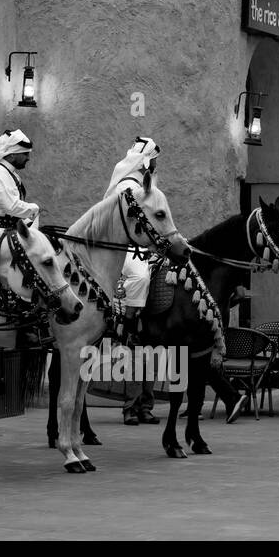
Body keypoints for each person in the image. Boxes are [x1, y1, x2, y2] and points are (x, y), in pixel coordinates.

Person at [105, 137, 162, 425]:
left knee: (148, 355)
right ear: (146, 160)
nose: (156, 165)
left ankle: (147, 407)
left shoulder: (143, 184)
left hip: (145, 246)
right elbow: (136, 221)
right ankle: (129, 317)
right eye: (154, 159)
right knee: (139, 274)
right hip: (127, 246)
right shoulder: (128, 185)